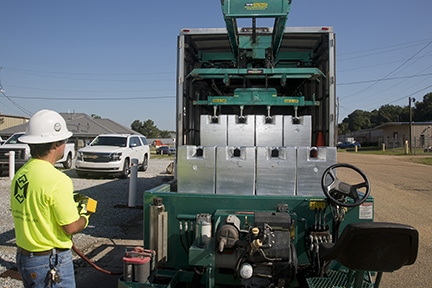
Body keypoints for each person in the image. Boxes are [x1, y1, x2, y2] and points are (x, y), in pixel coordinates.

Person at [10, 109, 91, 288]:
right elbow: (70, 227)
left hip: (25, 257)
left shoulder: (21, 174)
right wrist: (84, 216)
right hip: (50, 261)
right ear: (56, 144)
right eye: (64, 140)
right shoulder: (57, 180)